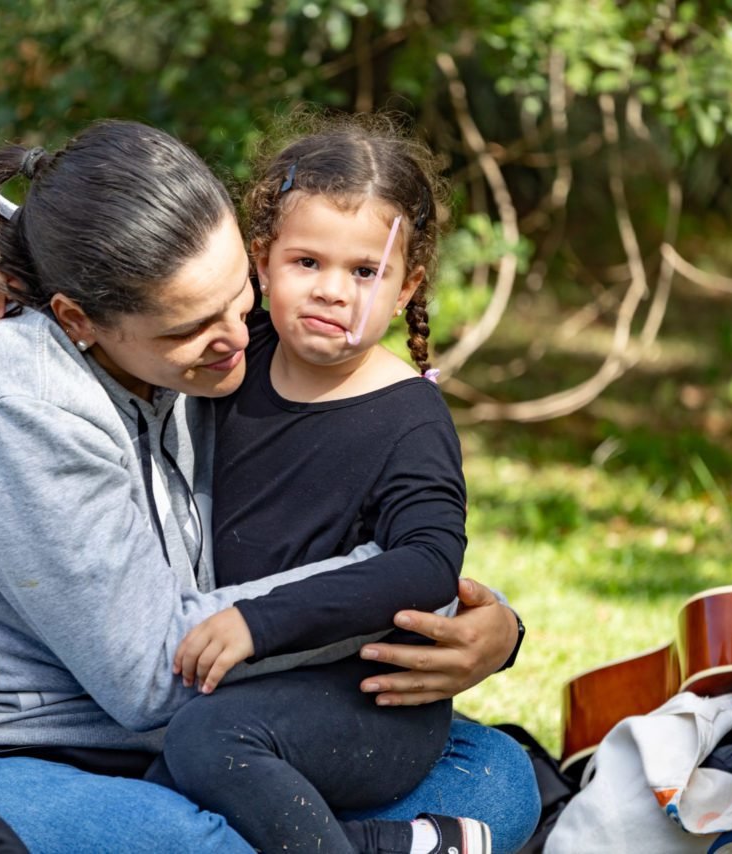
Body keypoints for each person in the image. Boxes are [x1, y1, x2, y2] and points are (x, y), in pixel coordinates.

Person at [0, 119, 540, 853]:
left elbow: (64, 203)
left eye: (237, 297)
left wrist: (492, 627)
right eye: (193, 326)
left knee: (497, 774)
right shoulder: (26, 404)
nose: (241, 340)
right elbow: (150, 676)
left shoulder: (183, 332)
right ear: (77, 319)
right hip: (30, 749)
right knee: (203, 843)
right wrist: (387, 594)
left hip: (204, 728)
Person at [147, 118, 489, 854]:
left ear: (407, 288)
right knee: (157, 766)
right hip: (256, 681)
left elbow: (428, 561)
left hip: (367, 699)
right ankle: (405, 845)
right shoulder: (239, 351)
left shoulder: (409, 417)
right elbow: (108, 271)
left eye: (365, 272)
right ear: (261, 262)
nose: (333, 291)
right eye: (307, 262)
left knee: (207, 740)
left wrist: (256, 620)